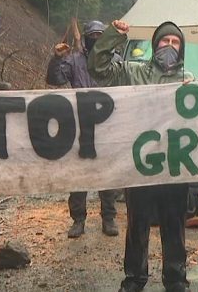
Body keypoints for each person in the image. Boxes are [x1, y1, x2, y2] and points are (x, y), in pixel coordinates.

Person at [88, 19, 193, 292]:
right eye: (164, 41)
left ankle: (176, 279)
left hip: (174, 168)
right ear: (154, 44)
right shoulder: (132, 72)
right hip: (139, 166)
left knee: (174, 226)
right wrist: (114, 36)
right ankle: (134, 279)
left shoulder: (189, 80)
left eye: (174, 42)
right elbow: (97, 67)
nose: (168, 46)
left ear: (181, 49)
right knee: (137, 226)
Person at [46, 18, 120, 238]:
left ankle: (109, 217)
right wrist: (55, 59)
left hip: (108, 124)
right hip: (78, 125)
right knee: (78, 175)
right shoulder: (74, 60)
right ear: (86, 38)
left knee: (108, 174)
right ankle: (78, 219)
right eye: (92, 36)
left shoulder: (115, 60)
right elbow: (54, 79)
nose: (96, 39)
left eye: (100, 36)